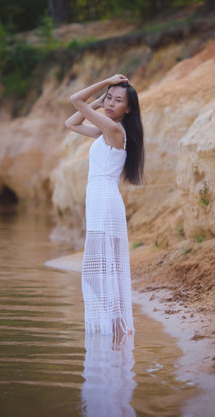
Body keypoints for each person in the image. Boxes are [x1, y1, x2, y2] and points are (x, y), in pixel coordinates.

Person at [65, 74, 144, 336]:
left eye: (117, 100)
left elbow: (75, 100)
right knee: (102, 265)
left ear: (128, 108)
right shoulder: (106, 129)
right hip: (99, 199)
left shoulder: (113, 130)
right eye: (109, 98)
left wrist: (107, 81)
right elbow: (71, 123)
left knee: (99, 268)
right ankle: (116, 325)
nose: (110, 103)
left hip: (105, 201)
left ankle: (116, 325)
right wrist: (100, 103)